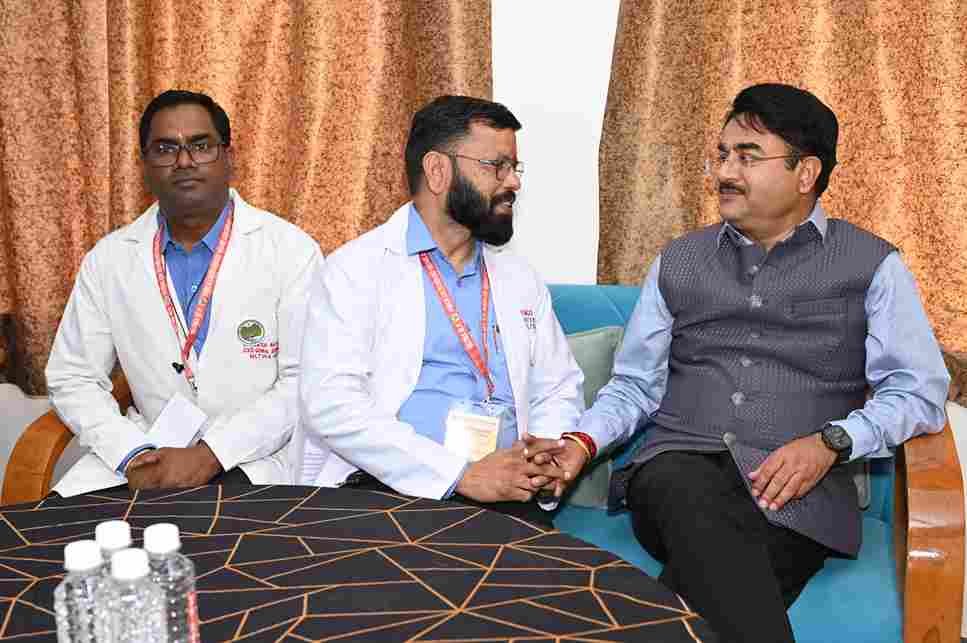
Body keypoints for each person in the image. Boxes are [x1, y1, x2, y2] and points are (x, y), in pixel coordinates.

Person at [576, 83, 950, 642]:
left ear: (806, 174)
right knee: (685, 486)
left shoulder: (874, 265)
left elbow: (918, 391)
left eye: (747, 157)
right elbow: (635, 386)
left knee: (716, 582)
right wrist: (581, 440)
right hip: (677, 474)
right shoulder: (679, 259)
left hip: (795, 499)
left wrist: (832, 442)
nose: (726, 172)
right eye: (722, 154)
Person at [296, 95, 591, 524]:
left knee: (537, 569)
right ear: (437, 171)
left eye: (514, 167)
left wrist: (541, 457)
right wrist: (460, 475)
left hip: (508, 495)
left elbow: (557, 385)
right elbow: (332, 404)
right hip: (391, 491)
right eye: (497, 166)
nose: (513, 182)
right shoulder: (354, 270)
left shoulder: (519, 278)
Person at [47, 89, 323, 497]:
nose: (184, 161)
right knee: (62, 533)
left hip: (252, 459)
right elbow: (73, 376)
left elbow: (304, 381)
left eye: (200, 145)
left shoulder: (291, 251)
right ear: (144, 165)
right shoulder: (108, 260)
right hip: (143, 457)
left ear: (228, 157)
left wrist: (212, 454)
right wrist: (130, 452)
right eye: (165, 148)